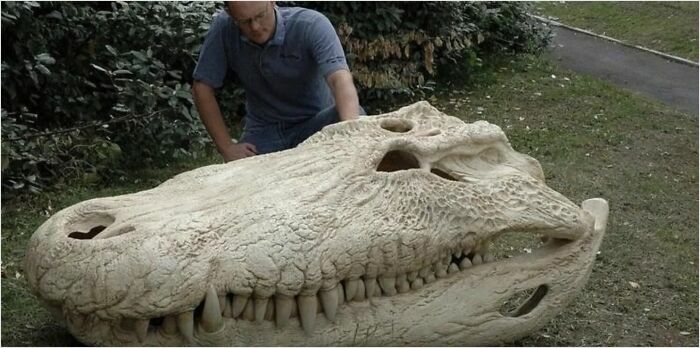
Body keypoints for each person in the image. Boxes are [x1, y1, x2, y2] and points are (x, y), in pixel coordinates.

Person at [192, 1, 364, 162]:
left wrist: (351, 135)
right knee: (239, 181)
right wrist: (227, 148)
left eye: (260, 16)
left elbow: (339, 79)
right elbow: (202, 87)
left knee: (356, 118)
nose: (255, 27)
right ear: (230, 15)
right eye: (244, 22)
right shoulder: (223, 28)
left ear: (272, 2)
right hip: (265, 132)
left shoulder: (311, 25)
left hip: (316, 123)